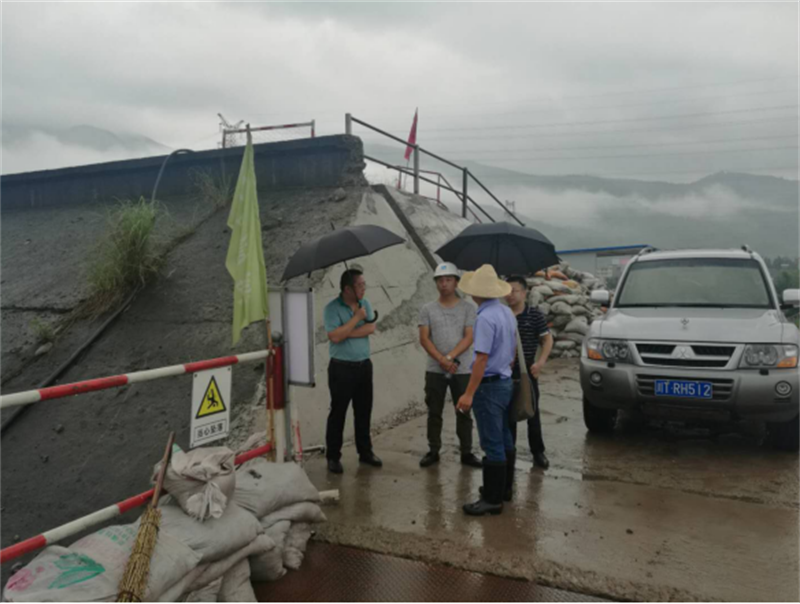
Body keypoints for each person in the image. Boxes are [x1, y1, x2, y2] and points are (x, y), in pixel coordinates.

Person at [455, 264, 517, 516]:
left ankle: (492, 499)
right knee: (504, 436)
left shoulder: (484, 318)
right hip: (505, 382)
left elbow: (481, 358)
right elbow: (512, 348)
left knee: (492, 442)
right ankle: (504, 489)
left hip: (489, 386)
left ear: (477, 293)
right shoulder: (506, 312)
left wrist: (469, 393)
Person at [418, 262, 482, 469]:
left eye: (448, 280)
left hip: (461, 369)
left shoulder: (468, 308)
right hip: (435, 369)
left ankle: (466, 452)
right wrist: (441, 360)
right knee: (434, 411)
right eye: (440, 280)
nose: (444, 284)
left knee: (463, 411)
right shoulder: (427, 309)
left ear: (456, 283)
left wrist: (450, 357)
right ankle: (433, 449)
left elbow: (469, 337)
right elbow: (424, 338)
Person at [323, 268, 383, 474]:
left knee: (364, 411)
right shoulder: (332, 308)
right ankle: (333, 456)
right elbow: (334, 337)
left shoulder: (365, 303)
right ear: (347, 289)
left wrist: (346, 331)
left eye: (364, 284)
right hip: (341, 368)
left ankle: (365, 451)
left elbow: (370, 328)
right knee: (338, 412)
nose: (364, 288)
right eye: (360, 285)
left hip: (364, 365)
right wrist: (356, 318)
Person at [505, 276, 554, 471]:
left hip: (527, 373)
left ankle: (538, 452)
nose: (510, 294)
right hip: (505, 373)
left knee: (532, 413)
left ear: (524, 293)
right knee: (509, 415)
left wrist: (540, 363)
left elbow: (547, 340)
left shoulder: (534, 315)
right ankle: (510, 452)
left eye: (514, 290)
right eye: (507, 290)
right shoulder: (502, 314)